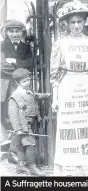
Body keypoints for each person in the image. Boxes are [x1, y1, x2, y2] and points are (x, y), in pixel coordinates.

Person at [50, 0, 88, 176]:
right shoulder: (60, 44)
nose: (76, 26)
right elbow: (55, 74)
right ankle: (69, 172)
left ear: (85, 22)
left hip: (87, 90)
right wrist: (55, 97)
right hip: (67, 89)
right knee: (68, 131)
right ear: (67, 23)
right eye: (72, 22)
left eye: (79, 22)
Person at [1, 20, 33, 164]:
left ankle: (15, 152)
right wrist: (19, 67)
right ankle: (12, 151)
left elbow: (30, 65)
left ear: (22, 32)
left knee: (21, 118)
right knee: (8, 118)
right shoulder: (1, 46)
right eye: (11, 31)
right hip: (5, 88)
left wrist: (14, 61)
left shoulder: (26, 47)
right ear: (6, 33)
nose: (14, 34)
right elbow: (2, 67)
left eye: (17, 31)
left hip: (20, 89)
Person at [8, 68, 51, 175]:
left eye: (28, 80)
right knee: (31, 143)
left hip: (32, 122)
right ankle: (32, 166)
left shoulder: (29, 91)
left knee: (23, 145)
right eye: (24, 81)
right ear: (17, 82)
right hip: (24, 124)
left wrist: (47, 95)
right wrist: (17, 129)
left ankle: (20, 166)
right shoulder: (15, 96)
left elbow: (36, 96)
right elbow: (12, 115)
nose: (27, 83)